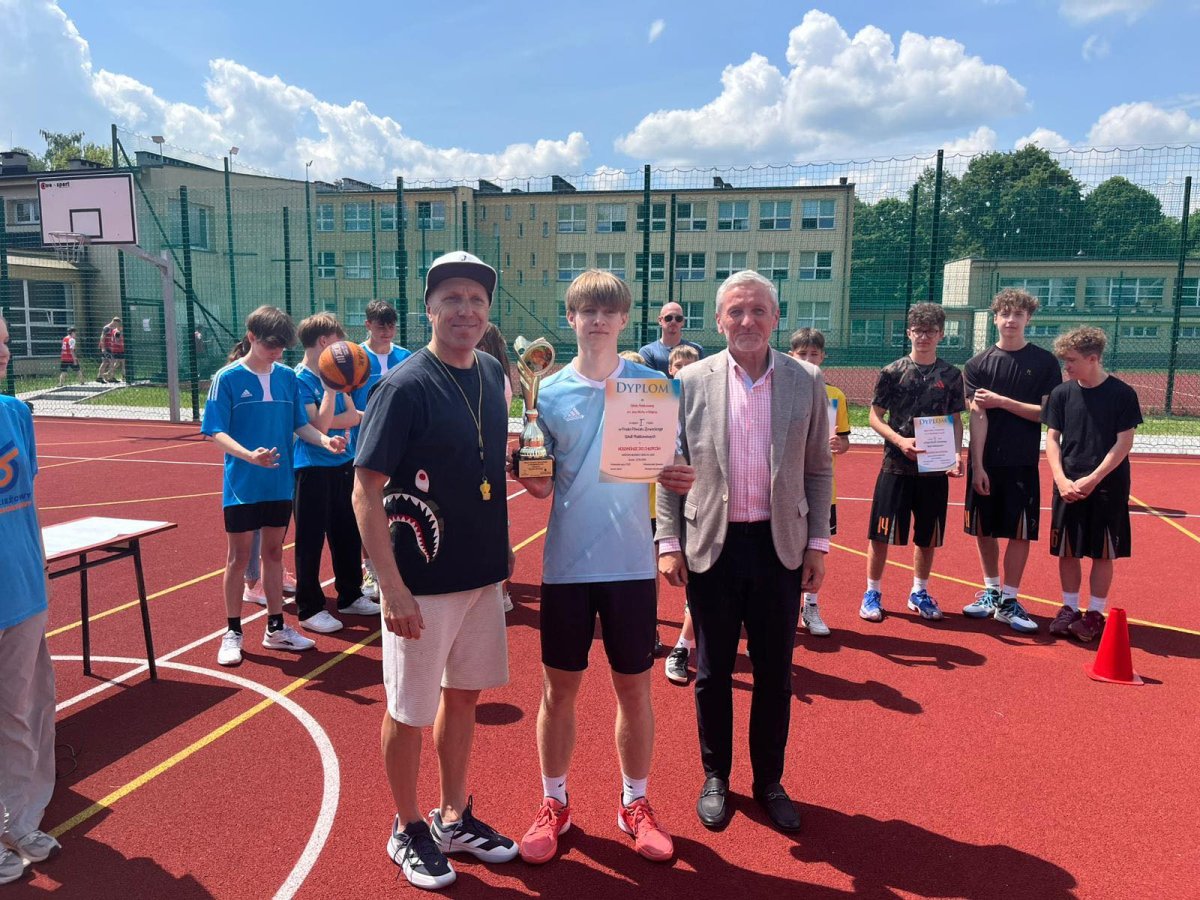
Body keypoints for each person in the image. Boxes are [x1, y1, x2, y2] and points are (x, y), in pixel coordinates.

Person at [514, 270, 695, 865]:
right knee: (558, 691)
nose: (596, 319)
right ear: (571, 318)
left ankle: (634, 803)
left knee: (634, 689)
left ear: (623, 319)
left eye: (607, 310)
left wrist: (678, 481)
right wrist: (527, 463)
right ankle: (554, 802)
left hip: (631, 566)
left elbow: (670, 471)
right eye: (586, 310)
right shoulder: (545, 391)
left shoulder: (653, 387)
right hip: (567, 566)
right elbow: (542, 491)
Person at [353, 251, 517, 890]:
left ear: (487, 310)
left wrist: (500, 547)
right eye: (451, 298)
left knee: (464, 695)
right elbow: (365, 491)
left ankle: (453, 817)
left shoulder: (491, 373)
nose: (465, 310)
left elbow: (485, 471)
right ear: (428, 308)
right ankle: (406, 826)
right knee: (408, 709)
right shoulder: (403, 387)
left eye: (476, 299)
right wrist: (390, 586)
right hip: (420, 583)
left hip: (480, 577)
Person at [657, 269, 833, 833]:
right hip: (713, 544)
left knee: (775, 673)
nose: (747, 320)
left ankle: (768, 781)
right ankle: (716, 776)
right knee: (711, 672)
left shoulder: (807, 380)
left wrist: (818, 544)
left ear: (776, 318)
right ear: (718, 320)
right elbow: (669, 468)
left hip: (780, 547)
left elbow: (818, 468)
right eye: (736, 311)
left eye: (758, 310)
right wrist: (668, 541)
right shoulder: (691, 380)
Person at [201, 306, 347, 668]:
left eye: (283, 346)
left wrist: (325, 441)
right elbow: (215, 431)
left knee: (274, 555)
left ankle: (276, 627)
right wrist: (248, 455)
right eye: (271, 345)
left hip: (279, 483)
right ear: (252, 337)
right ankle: (233, 632)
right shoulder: (227, 378)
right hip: (242, 484)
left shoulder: (286, 378)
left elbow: (301, 425)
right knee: (238, 558)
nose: (278, 352)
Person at [0, 312, 62, 883]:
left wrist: (36, 569)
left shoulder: (16, 413)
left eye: (3, 342)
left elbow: (29, 501)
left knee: (22, 712)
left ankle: (17, 820)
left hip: (20, 589)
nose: (3, 353)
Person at [961, 289, 1062, 633]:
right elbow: (977, 416)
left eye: (1018, 314)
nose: (1011, 320)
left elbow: (1047, 414)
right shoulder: (977, 364)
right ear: (994, 318)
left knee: (1020, 532)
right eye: (1005, 314)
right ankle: (991, 590)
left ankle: (1009, 599)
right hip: (987, 462)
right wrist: (977, 465)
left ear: (1028, 319)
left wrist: (1003, 401)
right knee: (983, 528)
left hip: (1022, 462)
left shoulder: (1044, 363)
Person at [860, 303, 966, 624]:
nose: (924, 337)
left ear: (941, 334)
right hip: (896, 465)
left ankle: (919, 591)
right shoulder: (892, 372)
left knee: (928, 534)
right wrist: (900, 441)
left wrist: (956, 454)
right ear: (908, 333)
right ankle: (872, 592)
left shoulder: (951, 375)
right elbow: (874, 417)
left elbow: (955, 419)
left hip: (934, 467)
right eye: (918, 331)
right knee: (881, 533)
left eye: (930, 331)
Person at [1042, 326, 1142, 643]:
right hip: (1067, 483)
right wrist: (1060, 478)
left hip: (1107, 486)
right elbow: (1052, 439)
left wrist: (1094, 478)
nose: (1066, 366)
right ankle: (1069, 608)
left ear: (1093, 359)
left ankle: (1095, 613)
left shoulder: (1122, 394)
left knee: (1102, 552)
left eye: (1071, 360)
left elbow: (1124, 443)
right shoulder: (1061, 394)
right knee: (1067, 549)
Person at [292, 313, 378, 635]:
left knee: (347, 532)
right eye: (339, 340)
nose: (344, 347)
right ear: (324, 341)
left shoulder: (337, 375)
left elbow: (351, 417)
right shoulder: (301, 380)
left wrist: (334, 412)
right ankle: (310, 608)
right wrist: (330, 392)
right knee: (311, 540)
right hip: (311, 468)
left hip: (343, 462)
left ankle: (350, 595)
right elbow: (318, 425)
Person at [788, 328, 851, 638]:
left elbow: (844, 440)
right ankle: (783, 607)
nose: (809, 359)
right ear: (791, 356)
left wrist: (840, 444)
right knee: (785, 548)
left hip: (821, 491)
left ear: (823, 357)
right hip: (788, 489)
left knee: (816, 549)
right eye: (802, 354)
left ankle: (810, 606)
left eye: (814, 354)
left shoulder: (835, 395)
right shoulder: (782, 392)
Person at [353, 300, 412, 602]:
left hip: (400, 447)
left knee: (398, 507)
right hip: (365, 443)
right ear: (368, 325)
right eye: (380, 325)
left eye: (390, 325)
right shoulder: (354, 358)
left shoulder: (405, 357)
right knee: (370, 504)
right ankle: (369, 568)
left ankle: (399, 564)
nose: (386, 331)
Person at [661, 342, 702, 684]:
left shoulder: (707, 400)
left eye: (693, 365)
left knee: (698, 592)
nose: (686, 371)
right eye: (680, 366)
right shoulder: (658, 403)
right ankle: (675, 643)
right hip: (672, 510)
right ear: (670, 370)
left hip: (707, 513)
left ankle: (683, 645)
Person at [475, 322, 516, 612]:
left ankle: (500, 591)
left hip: (484, 462)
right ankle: (500, 592)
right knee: (496, 523)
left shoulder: (489, 375)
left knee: (491, 525)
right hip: (490, 460)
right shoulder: (499, 374)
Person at [638, 301, 704, 375]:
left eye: (678, 318)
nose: (673, 321)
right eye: (668, 318)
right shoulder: (647, 352)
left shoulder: (696, 349)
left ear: (683, 321)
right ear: (660, 320)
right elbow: (648, 380)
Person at [96, 316, 121, 383]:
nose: (117, 325)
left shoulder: (113, 329)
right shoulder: (107, 328)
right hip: (105, 347)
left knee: (108, 362)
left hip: (109, 347)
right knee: (108, 362)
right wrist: (103, 348)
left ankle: (107, 377)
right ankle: (102, 377)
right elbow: (102, 338)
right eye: (117, 323)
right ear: (114, 321)